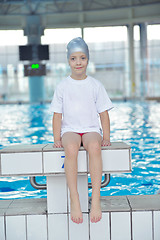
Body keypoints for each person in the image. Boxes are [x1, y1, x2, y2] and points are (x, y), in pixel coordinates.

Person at [49, 37, 113, 224]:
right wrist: (56, 138)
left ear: (88, 59)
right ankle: (74, 198)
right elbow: (57, 115)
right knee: (70, 149)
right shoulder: (62, 86)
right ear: (68, 60)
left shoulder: (95, 85)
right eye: (74, 58)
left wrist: (106, 136)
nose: (78, 62)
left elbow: (103, 114)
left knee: (94, 146)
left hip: (91, 129)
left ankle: (96, 200)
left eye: (82, 58)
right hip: (70, 130)